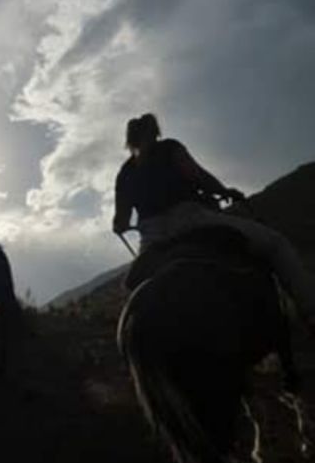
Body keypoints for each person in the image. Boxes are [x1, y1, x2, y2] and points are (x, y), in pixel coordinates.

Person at [113, 113, 315, 324]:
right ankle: (310, 311)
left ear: (130, 141)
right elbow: (198, 177)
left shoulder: (124, 173)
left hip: (153, 239)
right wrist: (225, 191)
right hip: (191, 220)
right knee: (276, 245)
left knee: (133, 287)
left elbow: (121, 221)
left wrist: (119, 226)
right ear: (155, 132)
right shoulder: (170, 148)